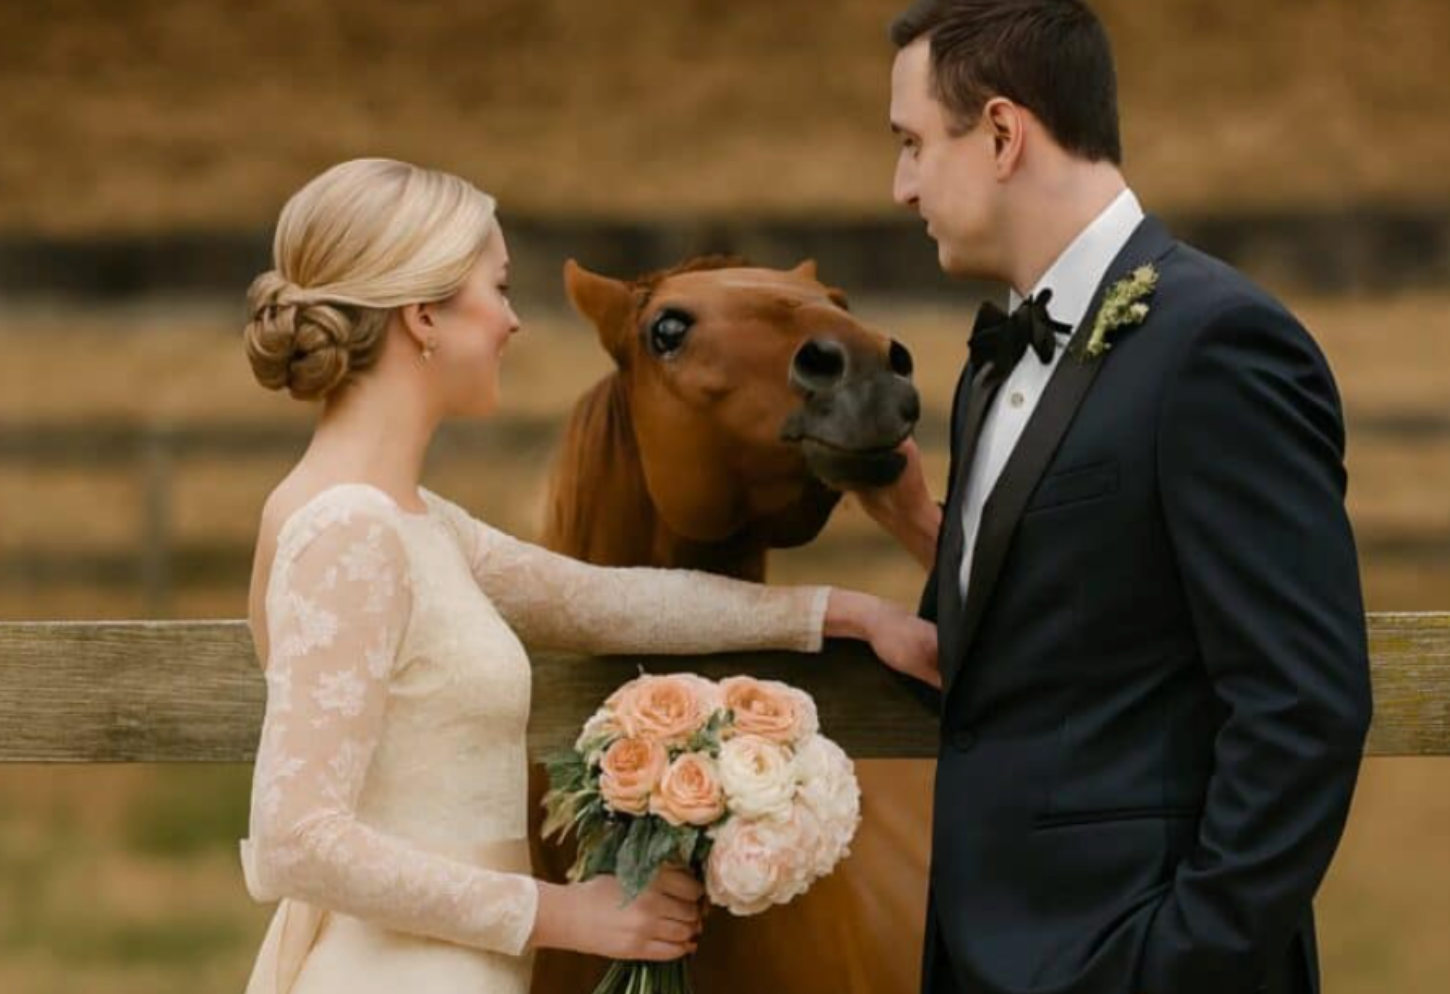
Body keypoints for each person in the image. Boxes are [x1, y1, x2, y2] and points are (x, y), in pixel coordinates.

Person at [236, 157, 939, 994]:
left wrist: (845, 615)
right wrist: (565, 914)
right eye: (497, 289)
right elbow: (295, 840)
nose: (513, 321)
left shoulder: (413, 521)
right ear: (423, 316)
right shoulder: (348, 529)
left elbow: (604, 601)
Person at [857, 2, 1374, 992]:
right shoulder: (987, 369)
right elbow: (1034, 647)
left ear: (1002, 133)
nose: (900, 186)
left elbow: (1303, 703)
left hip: (1139, 958)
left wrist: (1182, 956)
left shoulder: (1218, 345)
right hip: (973, 954)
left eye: (913, 143)